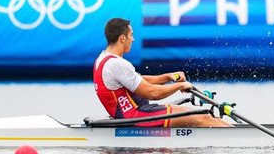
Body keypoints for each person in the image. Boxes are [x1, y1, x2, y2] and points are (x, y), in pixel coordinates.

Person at [93, 18, 230, 127]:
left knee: (206, 117)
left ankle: (233, 132)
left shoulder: (103, 58)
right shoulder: (118, 64)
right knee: (204, 117)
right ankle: (242, 139)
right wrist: (179, 86)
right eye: (131, 35)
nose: (133, 39)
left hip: (136, 112)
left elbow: (136, 80)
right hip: (137, 115)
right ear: (122, 38)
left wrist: (168, 77)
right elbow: (153, 93)